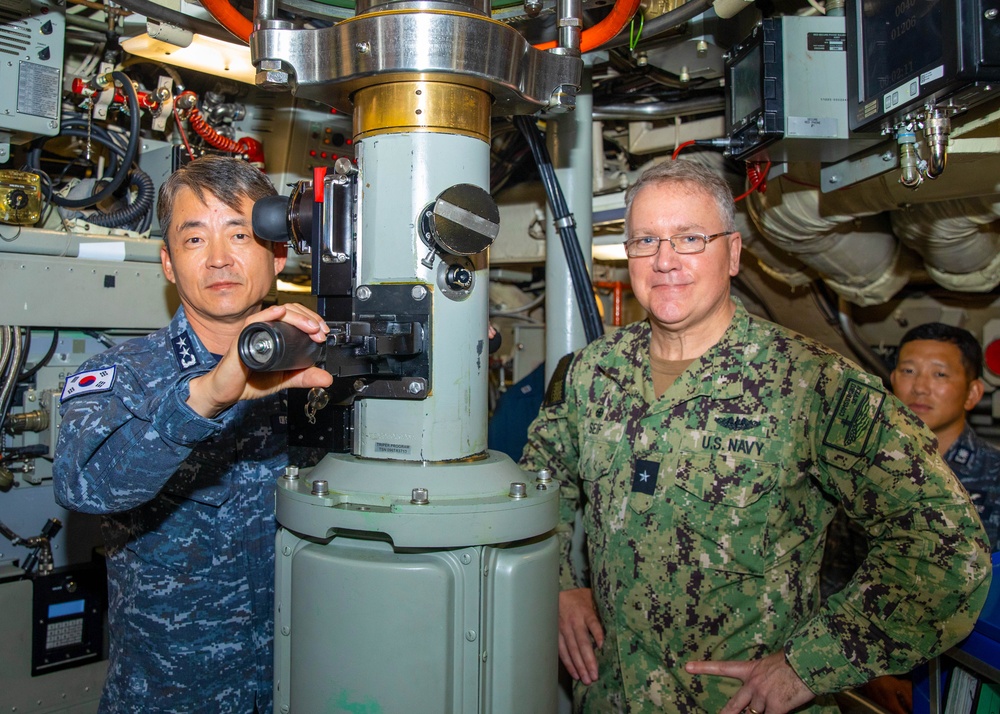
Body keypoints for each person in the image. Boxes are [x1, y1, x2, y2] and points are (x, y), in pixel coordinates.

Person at [519, 159, 991, 714]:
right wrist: (558, 586)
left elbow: (945, 545)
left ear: (733, 253)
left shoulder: (813, 383)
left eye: (689, 238)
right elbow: (535, 485)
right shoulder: (589, 374)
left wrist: (809, 666)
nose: (665, 260)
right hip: (613, 697)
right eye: (646, 240)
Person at [53, 157, 333, 714]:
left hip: (305, 684)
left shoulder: (317, 370)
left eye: (240, 234)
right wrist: (205, 396)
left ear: (277, 254)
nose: (220, 258)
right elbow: (83, 485)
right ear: (167, 262)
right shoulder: (124, 376)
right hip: (174, 695)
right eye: (194, 238)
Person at [891, 322, 1000, 551]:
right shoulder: (867, 466)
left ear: (972, 393)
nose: (920, 387)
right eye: (908, 371)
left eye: (939, 374)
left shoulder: (995, 474)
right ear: (892, 380)